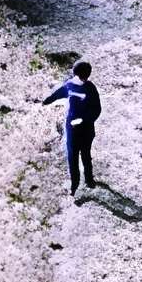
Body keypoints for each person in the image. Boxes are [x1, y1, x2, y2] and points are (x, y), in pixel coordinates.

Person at [42, 59, 100, 199]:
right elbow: (56, 95)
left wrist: (84, 119)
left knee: (85, 155)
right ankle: (74, 185)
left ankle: (89, 179)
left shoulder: (90, 88)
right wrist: (45, 101)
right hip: (72, 129)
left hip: (86, 129)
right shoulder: (69, 85)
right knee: (73, 157)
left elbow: (97, 109)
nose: (80, 79)